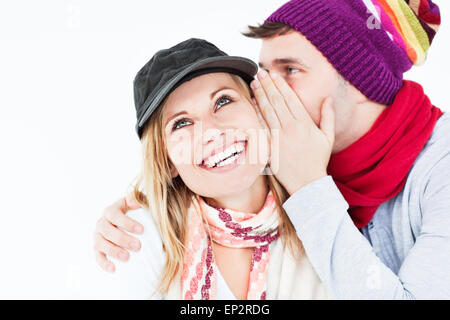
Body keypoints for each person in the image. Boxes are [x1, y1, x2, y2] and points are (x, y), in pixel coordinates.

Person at [95, 0, 450, 299]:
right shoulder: (291, 157)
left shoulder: (438, 169)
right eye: (262, 73)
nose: (264, 93)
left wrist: (311, 187)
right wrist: (140, 203)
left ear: (358, 80)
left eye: (291, 70)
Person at [106, 38, 334, 300]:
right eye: (181, 123)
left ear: (258, 111)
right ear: (167, 161)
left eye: (223, 101)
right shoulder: (137, 237)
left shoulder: (319, 211)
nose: (212, 131)